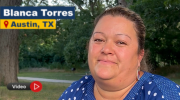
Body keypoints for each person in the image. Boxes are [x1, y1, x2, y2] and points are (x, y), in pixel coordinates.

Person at [59, 6, 180, 100]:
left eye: (121, 42)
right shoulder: (75, 91)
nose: (106, 49)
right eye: (99, 40)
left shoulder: (164, 94)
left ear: (139, 55)